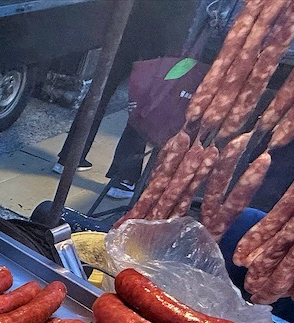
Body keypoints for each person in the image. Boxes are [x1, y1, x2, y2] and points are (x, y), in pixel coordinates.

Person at [51, 0, 201, 197]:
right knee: (144, 102)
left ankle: (70, 157)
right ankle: (124, 178)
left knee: (100, 90)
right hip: (162, 31)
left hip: (127, 22)